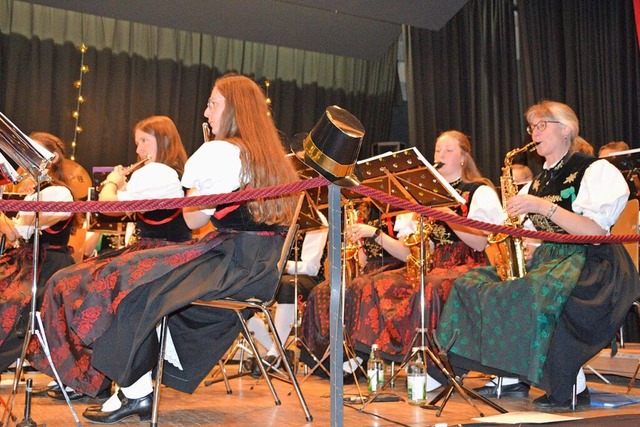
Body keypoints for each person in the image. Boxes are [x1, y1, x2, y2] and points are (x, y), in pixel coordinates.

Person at [80, 73, 299, 424]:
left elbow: (194, 220)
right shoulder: (270, 158)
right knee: (144, 276)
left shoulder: (219, 151)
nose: (207, 112)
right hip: (260, 269)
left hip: (232, 262)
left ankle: (135, 392)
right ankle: (138, 385)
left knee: (133, 278)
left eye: (213, 104)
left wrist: (195, 189)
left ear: (233, 110)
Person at [436, 100, 640, 410]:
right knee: (472, 282)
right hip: (550, 262)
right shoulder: (536, 181)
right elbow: (528, 236)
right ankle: (499, 371)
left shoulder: (595, 170)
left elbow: (596, 232)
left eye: (542, 125)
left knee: (535, 291)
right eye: (532, 127)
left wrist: (544, 207)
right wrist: (524, 249)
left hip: (593, 263)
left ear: (566, 129)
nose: (534, 133)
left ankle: (567, 382)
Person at [27, 116, 191, 401]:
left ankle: (89, 377)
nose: (138, 150)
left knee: (74, 285)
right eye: (137, 142)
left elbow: (109, 206)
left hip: (157, 256)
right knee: (70, 282)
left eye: (144, 141)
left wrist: (113, 181)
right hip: (153, 253)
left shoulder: (159, 172)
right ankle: (83, 375)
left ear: (162, 142)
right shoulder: (160, 172)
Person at [340, 131, 502, 390]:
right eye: (437, 150)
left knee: (430, 287)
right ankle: (372, 355)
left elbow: (482, 243)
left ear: (463, 157)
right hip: (433, 262)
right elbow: (419, 247)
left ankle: (434, 365)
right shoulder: (425, 194)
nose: (440, 156)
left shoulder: (478, 191)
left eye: (448, 150)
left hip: (469, 262)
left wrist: (447, 214)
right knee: (376, 283)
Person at [0, 132, 78, 371]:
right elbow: (12, 234)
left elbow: (19, 232)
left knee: (9, 298)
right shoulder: (34, 192)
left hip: (50, 263)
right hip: (30, 258)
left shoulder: (60, 193)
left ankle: (16, 354)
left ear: (51, 158)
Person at [247, 207, 328, 378]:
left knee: (287, 286)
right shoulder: (273, 216)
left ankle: (275, 353)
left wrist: (280, 265)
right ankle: (278, 355)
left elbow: (311, 268)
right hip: (274, 275)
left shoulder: (315, 219)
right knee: (239, 289)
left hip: (306, 279)